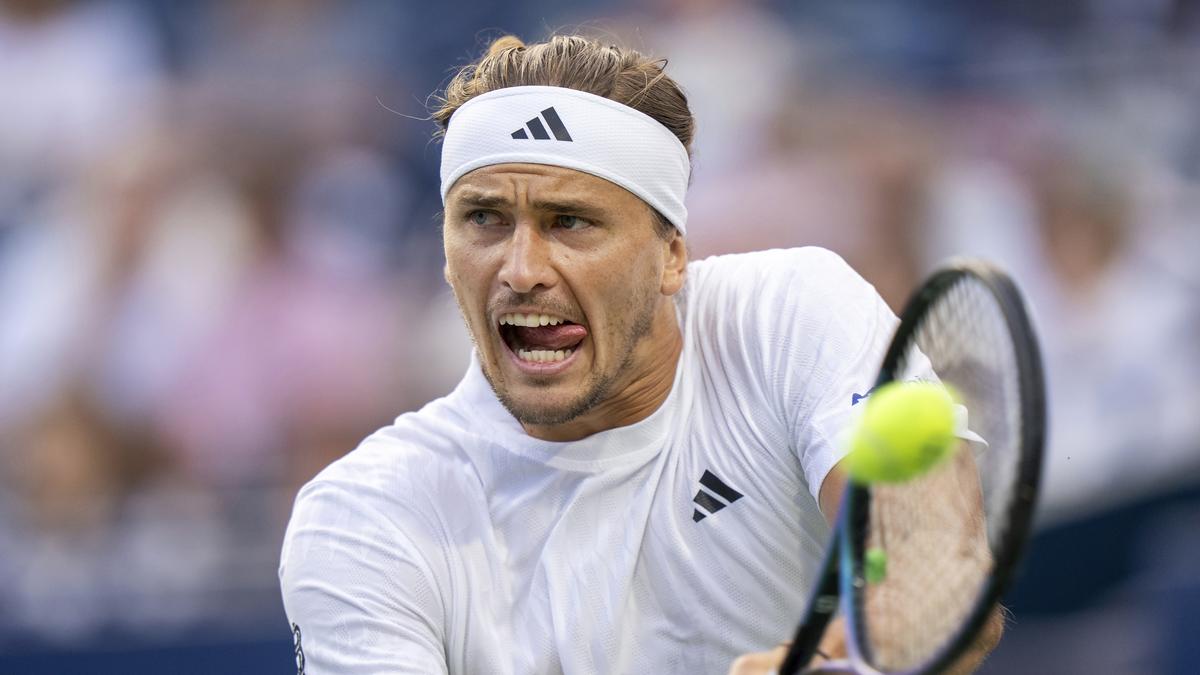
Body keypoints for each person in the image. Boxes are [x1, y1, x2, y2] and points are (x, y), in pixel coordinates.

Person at [279, 34, 994, 674]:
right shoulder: (364, 517)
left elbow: (934, 570)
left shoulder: (794, 311)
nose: (520, 269)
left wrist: (849, 655)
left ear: (671, 257)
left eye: (570, 221)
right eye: (484, 218)